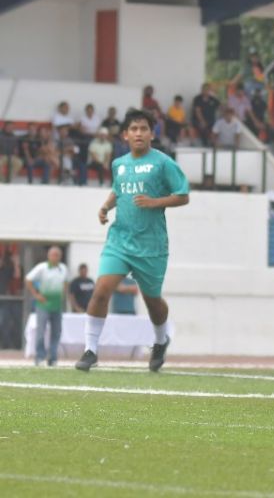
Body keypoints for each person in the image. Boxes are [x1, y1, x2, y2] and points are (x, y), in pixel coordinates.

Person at [75, 109, 190, 373]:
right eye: (134, 129)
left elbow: (183, 195)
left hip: (151, 245)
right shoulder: (119, 164)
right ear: (125, 135)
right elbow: (119, 189)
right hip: (120, 239)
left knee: (153, 302)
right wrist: (105, 207)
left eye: (144, 128)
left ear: (152, 133)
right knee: (101, 289)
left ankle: (160, 341)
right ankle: (90, 350)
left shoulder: (163, 163)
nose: (139, 133)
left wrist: (155, 202)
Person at [25, 246, 69, 366]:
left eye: (57, 255)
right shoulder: (42, 267)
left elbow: (66, 282)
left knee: (56, 332)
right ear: (49, 256)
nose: (55, 257)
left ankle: (53, 357)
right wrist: (36, 295)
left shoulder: (63, 268)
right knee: (40, 331)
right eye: (53, 255)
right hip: (43, 304)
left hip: (57, 305)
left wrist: (62, 295)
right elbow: (28, 279)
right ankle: (40, 356)